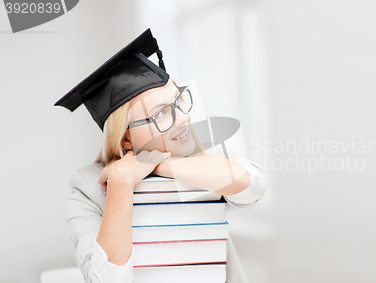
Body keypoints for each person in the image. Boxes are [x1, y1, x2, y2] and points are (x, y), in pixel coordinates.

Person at [55, 29, 266, 283]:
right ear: (126, 138)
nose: (183, 118)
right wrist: (121, 183)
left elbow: (252, 186)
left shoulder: (201, 156)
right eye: (162, 114)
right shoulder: (88, 187)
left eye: (178, 102)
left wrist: (156, 163)